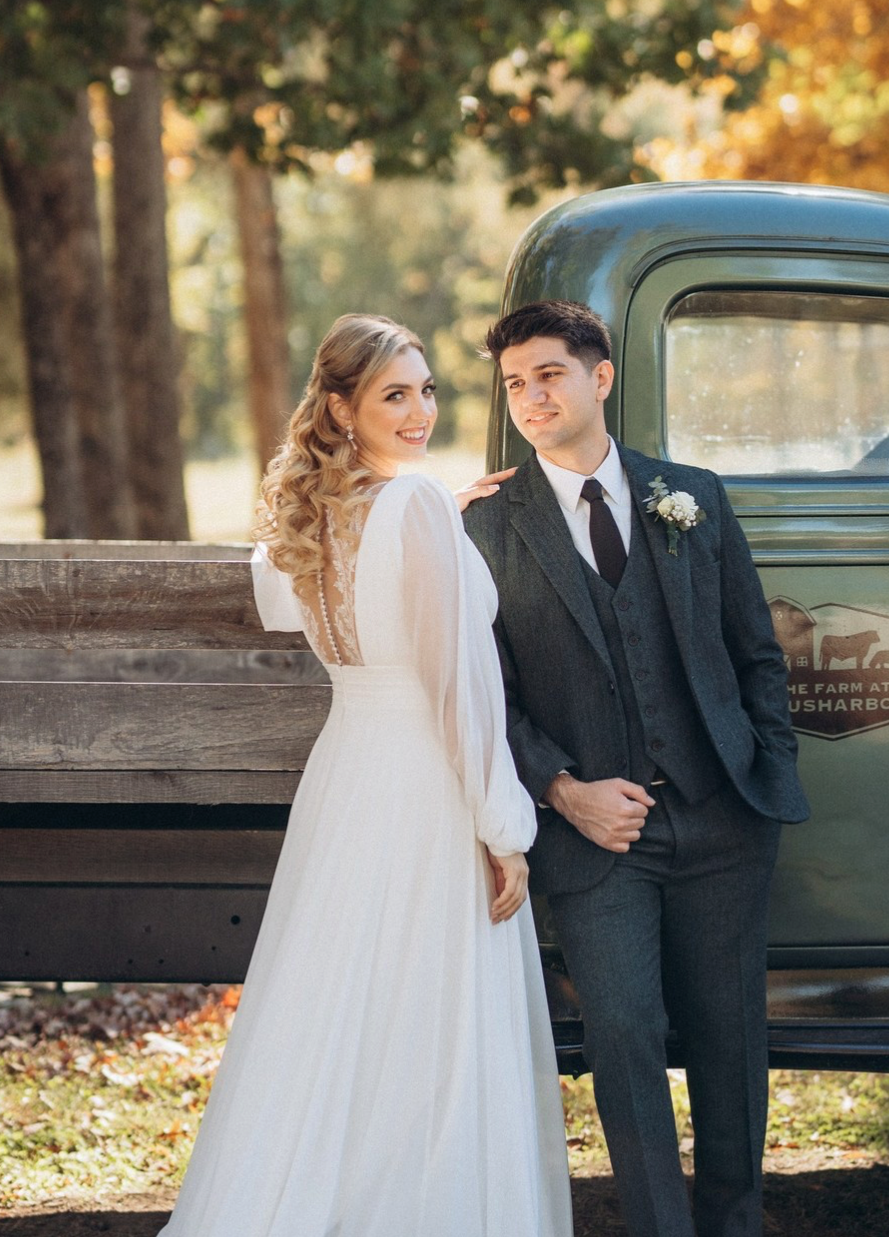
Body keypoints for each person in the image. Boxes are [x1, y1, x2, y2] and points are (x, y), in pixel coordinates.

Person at [158, 314, 571, 1237]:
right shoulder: (411, 507)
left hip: (349, 776)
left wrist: (432, 520)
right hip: (424, 781)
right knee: (425, 1016)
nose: (420, 410)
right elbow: (456, 689)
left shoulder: (313, 520)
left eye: (427, 390)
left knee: (340, 1003)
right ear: (342, 407)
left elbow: (286, 592)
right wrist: (506, 826)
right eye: (395, 394)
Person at [463, 300, 809, 1237]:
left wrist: (759, 777)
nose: (531, 398)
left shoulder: (691, 493)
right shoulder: (487, 526)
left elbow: (756, 654)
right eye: (515, 384)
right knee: (621, 1039)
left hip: (723, 819)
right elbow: (486, 692)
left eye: (549, 375)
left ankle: (734, 1222)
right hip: (597, 838)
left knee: (731, 1038)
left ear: (599, 377)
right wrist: (566, 793)